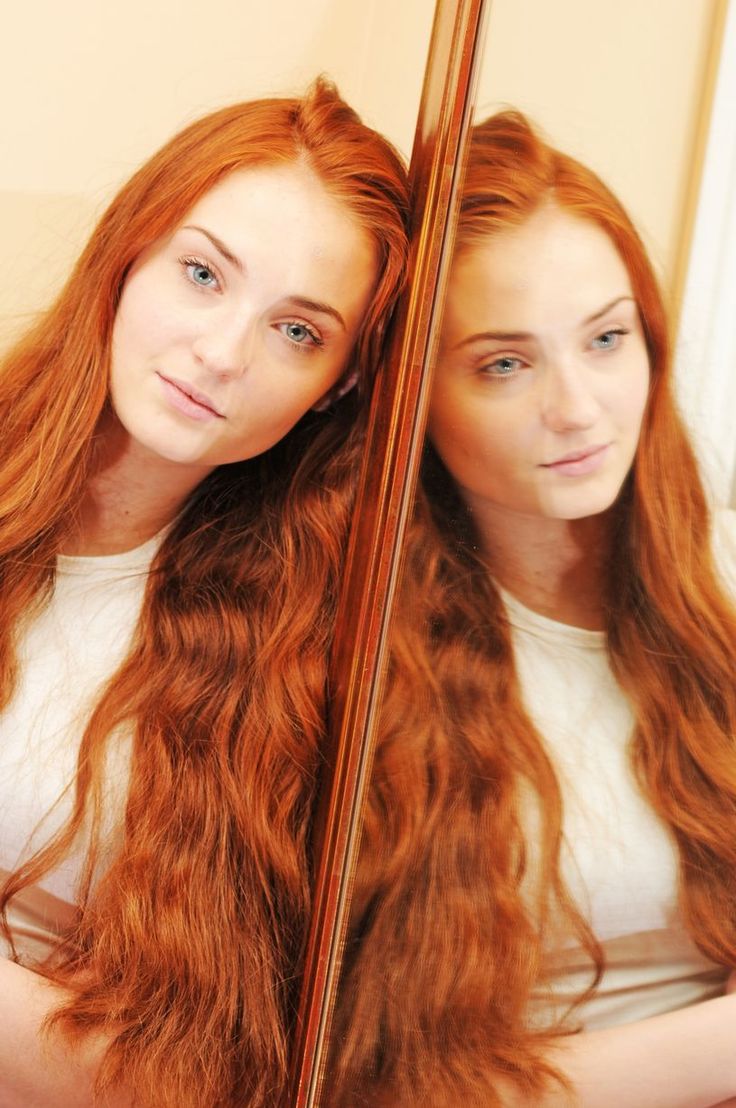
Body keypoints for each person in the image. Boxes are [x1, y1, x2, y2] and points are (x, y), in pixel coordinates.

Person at [0, 78, 409, 1108]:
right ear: (129, 252)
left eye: (297, 331)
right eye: (201, 273)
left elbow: (182, 1079)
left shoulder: (290, 663)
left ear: (342, 384)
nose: (222, 353)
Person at [328, 111, 736, 1107]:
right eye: (505, 363)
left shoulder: (717, 577)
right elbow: (391, 1085)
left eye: (605, 338)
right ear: (416, 399)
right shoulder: (358, 652)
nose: (579, 407)